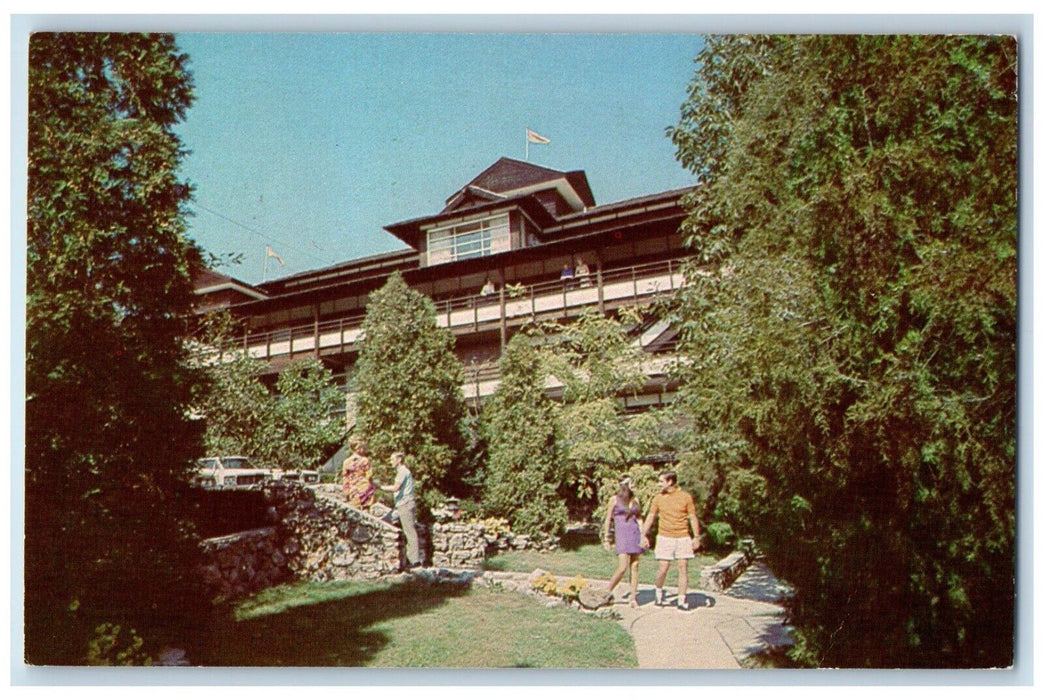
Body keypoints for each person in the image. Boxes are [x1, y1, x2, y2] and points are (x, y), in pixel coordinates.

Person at [640, 470, 701, 611]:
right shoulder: (658, 498)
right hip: (664, 537)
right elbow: (650, 517)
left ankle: (681, 600)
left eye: (661, 481)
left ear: (670, 482)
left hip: (682, 537)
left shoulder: (685, 497)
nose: (658, 484)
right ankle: (658, 591)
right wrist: (643, 535)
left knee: (683, 568)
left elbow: (692, 517)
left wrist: (696, 537)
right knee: (663, 568)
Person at [602, 477, 643, 609]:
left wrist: (644, 536)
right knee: (623, 567)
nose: (635, 485)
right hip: (622, 536)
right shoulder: (614, 499)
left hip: (634, 534)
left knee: (635, 566)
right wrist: (606, 538)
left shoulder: (635, 500)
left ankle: (633, 598)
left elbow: (640, 519)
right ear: (625, 485)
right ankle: (606, 592)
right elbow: (608, 519)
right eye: (632, 483)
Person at [381, 452, 422, 569]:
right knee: (386, 522)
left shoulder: (403, 472)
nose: (390, 462)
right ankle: (409, 560)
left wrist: (379, 487)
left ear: (399, 459)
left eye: (392, 459)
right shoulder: (401, 472)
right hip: (401, 505)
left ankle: (415, 561)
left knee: (410, 531)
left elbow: (395, 488)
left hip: (405, 504)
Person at [341, 435, 376, 510]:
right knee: (366, 513)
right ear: (359, 449)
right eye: (363, 448)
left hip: (352, 490)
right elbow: (369, 476)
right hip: (364, 489)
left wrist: (346, 491)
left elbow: (345, 478)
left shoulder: (346, 462)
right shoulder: (365, 460)